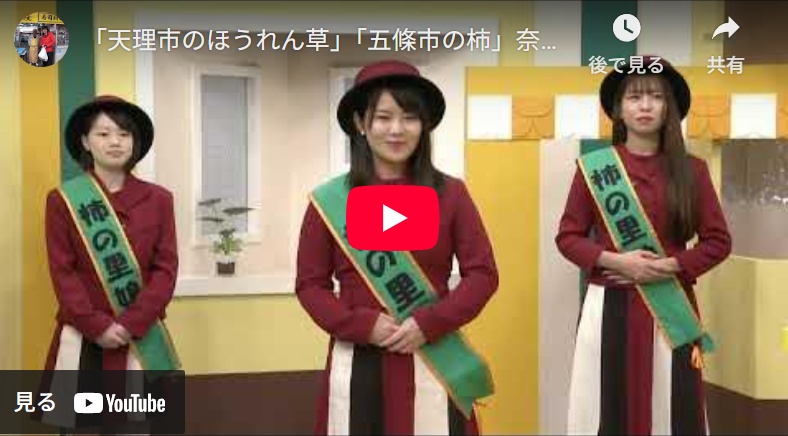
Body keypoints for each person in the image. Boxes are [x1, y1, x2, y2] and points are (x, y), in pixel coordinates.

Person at [295, 60, 498, 435]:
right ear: (360, 123)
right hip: (359, 360)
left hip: (434, 355)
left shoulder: (451, 194)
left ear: (425, 125)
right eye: (383, 117)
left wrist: (429, 323)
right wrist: (361, 325)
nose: (396, 130)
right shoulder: (329, 201)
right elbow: (310, 285)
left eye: (409, 117)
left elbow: (483, 275)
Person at [556, 55, 732, 435]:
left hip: (671, 306)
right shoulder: (595, 168)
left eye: (656, 96)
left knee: (672, 407)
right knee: (606, 405)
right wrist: (617, 262)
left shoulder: (693, 170)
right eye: (635, 97)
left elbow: (718, 242)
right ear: (619, 108)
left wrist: (669, 266)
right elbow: (568, 238)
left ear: (669, 107)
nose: (645, 106)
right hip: (608, 304)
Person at [38, 95, 180, 433]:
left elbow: (165, 269)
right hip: (83, 335)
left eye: (124, 134)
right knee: (79, 427)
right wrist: (97, 325)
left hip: (141, 335)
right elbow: (62, 271)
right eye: (103, 134)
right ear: (86, 142)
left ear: (135, 142)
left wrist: (131, 322)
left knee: (140, 426)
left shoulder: (160, 199)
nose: (115, 142)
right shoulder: (64, 200)